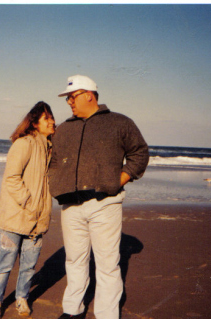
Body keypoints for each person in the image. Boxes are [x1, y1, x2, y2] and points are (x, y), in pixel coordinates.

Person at [49, 75, 149, 319]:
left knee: (107, 265)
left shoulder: (119, 123)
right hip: (70, 205)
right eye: (68, 98)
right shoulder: (64, 129)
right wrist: (56, 185)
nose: (69, 102)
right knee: (74, 260)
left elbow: (140, 153)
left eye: (72, 97)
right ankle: (72, 310)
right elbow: (53, 163)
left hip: (105, 203)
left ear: (89, 95)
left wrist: (118, 180)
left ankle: (106, 315)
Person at [0, 101, 56, 319]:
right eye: (47, 118)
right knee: (5, 265)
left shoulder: (50, 148)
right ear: (35, 123)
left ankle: (21, 299)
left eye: (52, 117)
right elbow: (11, 178)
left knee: (29, 267)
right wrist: (29, 202)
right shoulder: (24, 144)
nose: (52, 121)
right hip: (14, 217)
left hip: (38, 220)